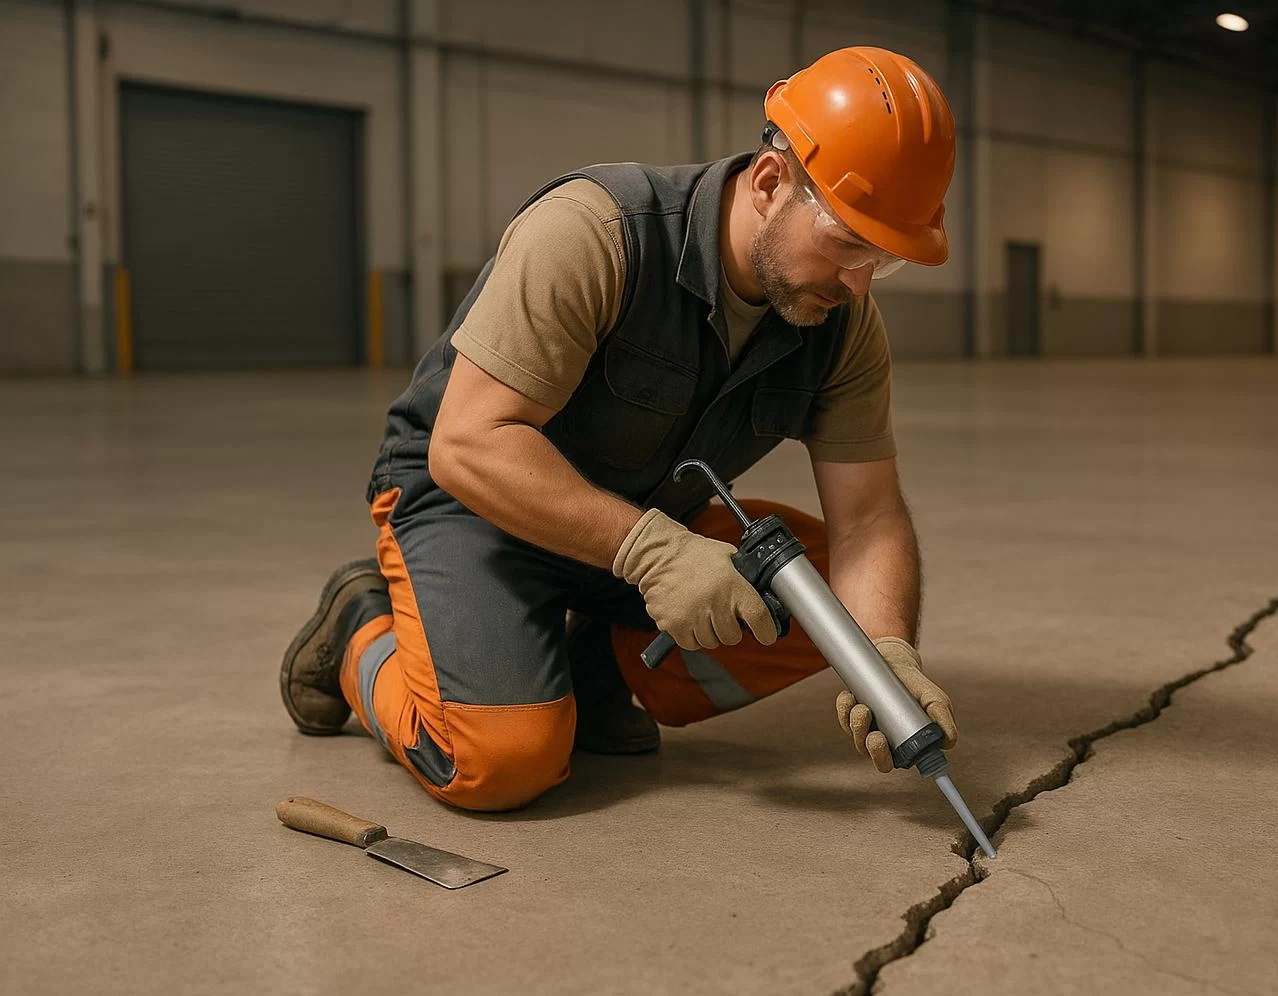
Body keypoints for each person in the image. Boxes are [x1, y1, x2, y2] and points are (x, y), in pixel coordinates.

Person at [278, 46, 963, 812]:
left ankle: (593, 666)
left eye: (884, 259)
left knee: (831, 600)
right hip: (472, 505)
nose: (859, 282)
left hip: (636, 520)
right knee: (502, 762)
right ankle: (360, 633)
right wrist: (651, 551)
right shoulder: (597, 234)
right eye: (847, 243)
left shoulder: (842, 326)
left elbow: (868, 521)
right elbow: (466, 442)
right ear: (771, 183)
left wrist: (887, 654)